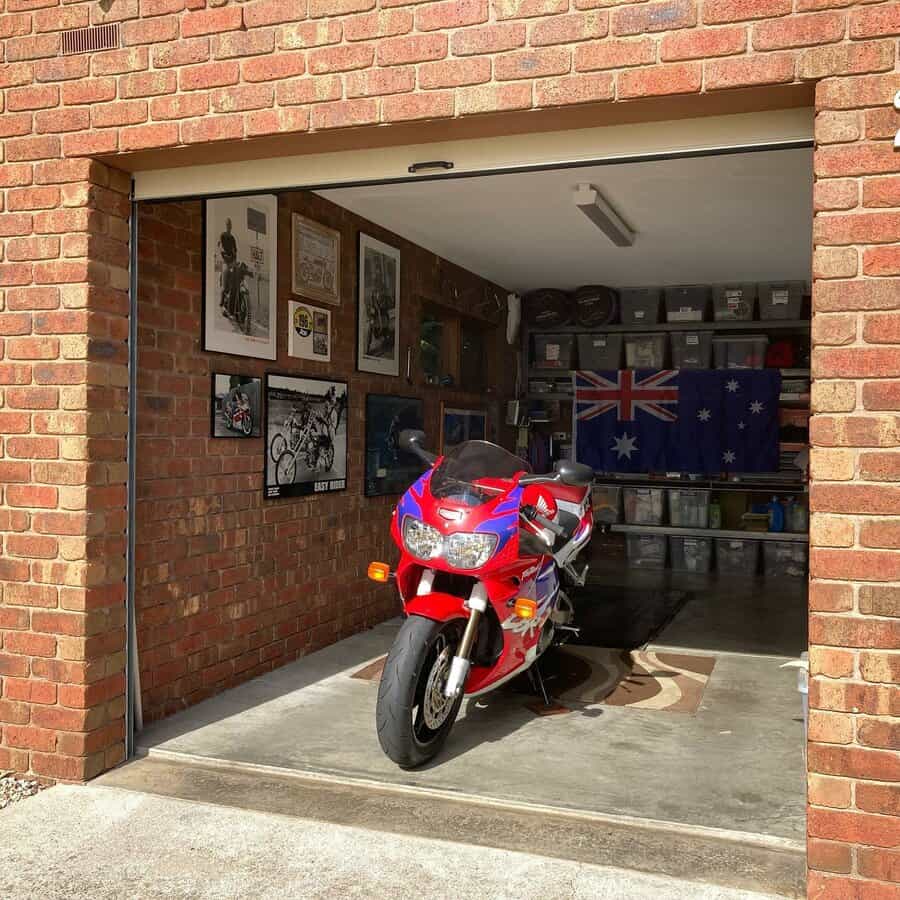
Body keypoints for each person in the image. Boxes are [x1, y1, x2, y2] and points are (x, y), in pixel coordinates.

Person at [218, 218, 238, 316]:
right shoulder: (222, 235)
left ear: (231, 226)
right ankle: (222, 304)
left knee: (235, 283)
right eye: (227, 224)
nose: (229, 226)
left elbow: (235, 251)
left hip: (232, 261)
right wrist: (223, 253)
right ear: (225, 225)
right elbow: (220, 246)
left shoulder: (232, 238)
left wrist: (235, 261)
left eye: (230, 224)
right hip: (225, 261)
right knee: (225, 286)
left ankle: (233, 307)